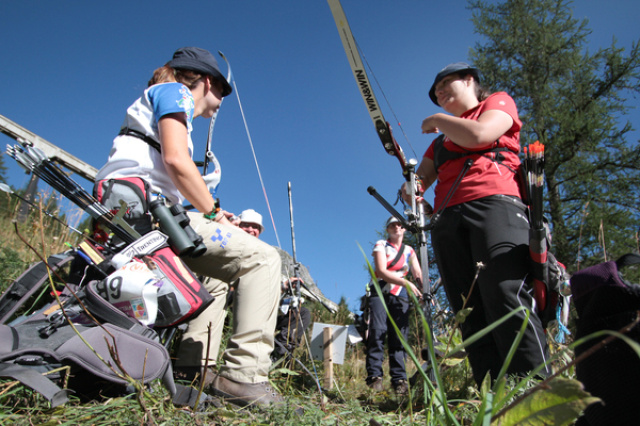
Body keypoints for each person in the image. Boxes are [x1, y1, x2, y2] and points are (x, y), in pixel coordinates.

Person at [94, 47, 284, 407]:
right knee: (265, 259)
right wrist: (212, 213)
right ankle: (245, 377)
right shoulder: (176, 92)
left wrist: (214, 212)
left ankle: (194, 367)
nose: (221, 101)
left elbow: (169, 172)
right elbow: (177, 161)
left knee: (213, 278)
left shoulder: (158, 101)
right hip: (148, 211)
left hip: (136, 209)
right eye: (222, 92)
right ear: (207, 81)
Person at [405, 62, 550, 385]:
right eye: (435, 93)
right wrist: (412, 187)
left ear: (470, 80)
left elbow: (481, 135)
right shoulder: (440, 142)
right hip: (447, 218)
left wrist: (439, 120)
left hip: (496, 204)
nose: (439, 93)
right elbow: (421, 178)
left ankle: (536, 389)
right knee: (467, 306)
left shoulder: (497, 103)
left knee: (505, 292)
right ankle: (491, 392)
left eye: (445, 84)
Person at [235, 209, 311, 362]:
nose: (251, 230)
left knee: (302, 313)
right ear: (237, 225)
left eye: (255, 227)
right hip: (236, 301)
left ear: (259, 231)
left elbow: (263, 285)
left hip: (261, 307)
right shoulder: (230, 245)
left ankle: (279, 357)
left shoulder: (263, 253)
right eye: (246, 225)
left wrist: (284, 286)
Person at [365, 216, 423, 396]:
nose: (397, 226)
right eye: (392, 224)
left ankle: (399, 379)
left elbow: (418, 273)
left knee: (400, 336)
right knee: (377, 332)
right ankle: (375, 377)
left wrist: (422, 291)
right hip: (381, 290)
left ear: (404, 229)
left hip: (401, 294)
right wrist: (407, 283)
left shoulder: (410, 251)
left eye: (400, 224)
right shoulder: (381, 245)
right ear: (388, 229)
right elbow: (381, 271)